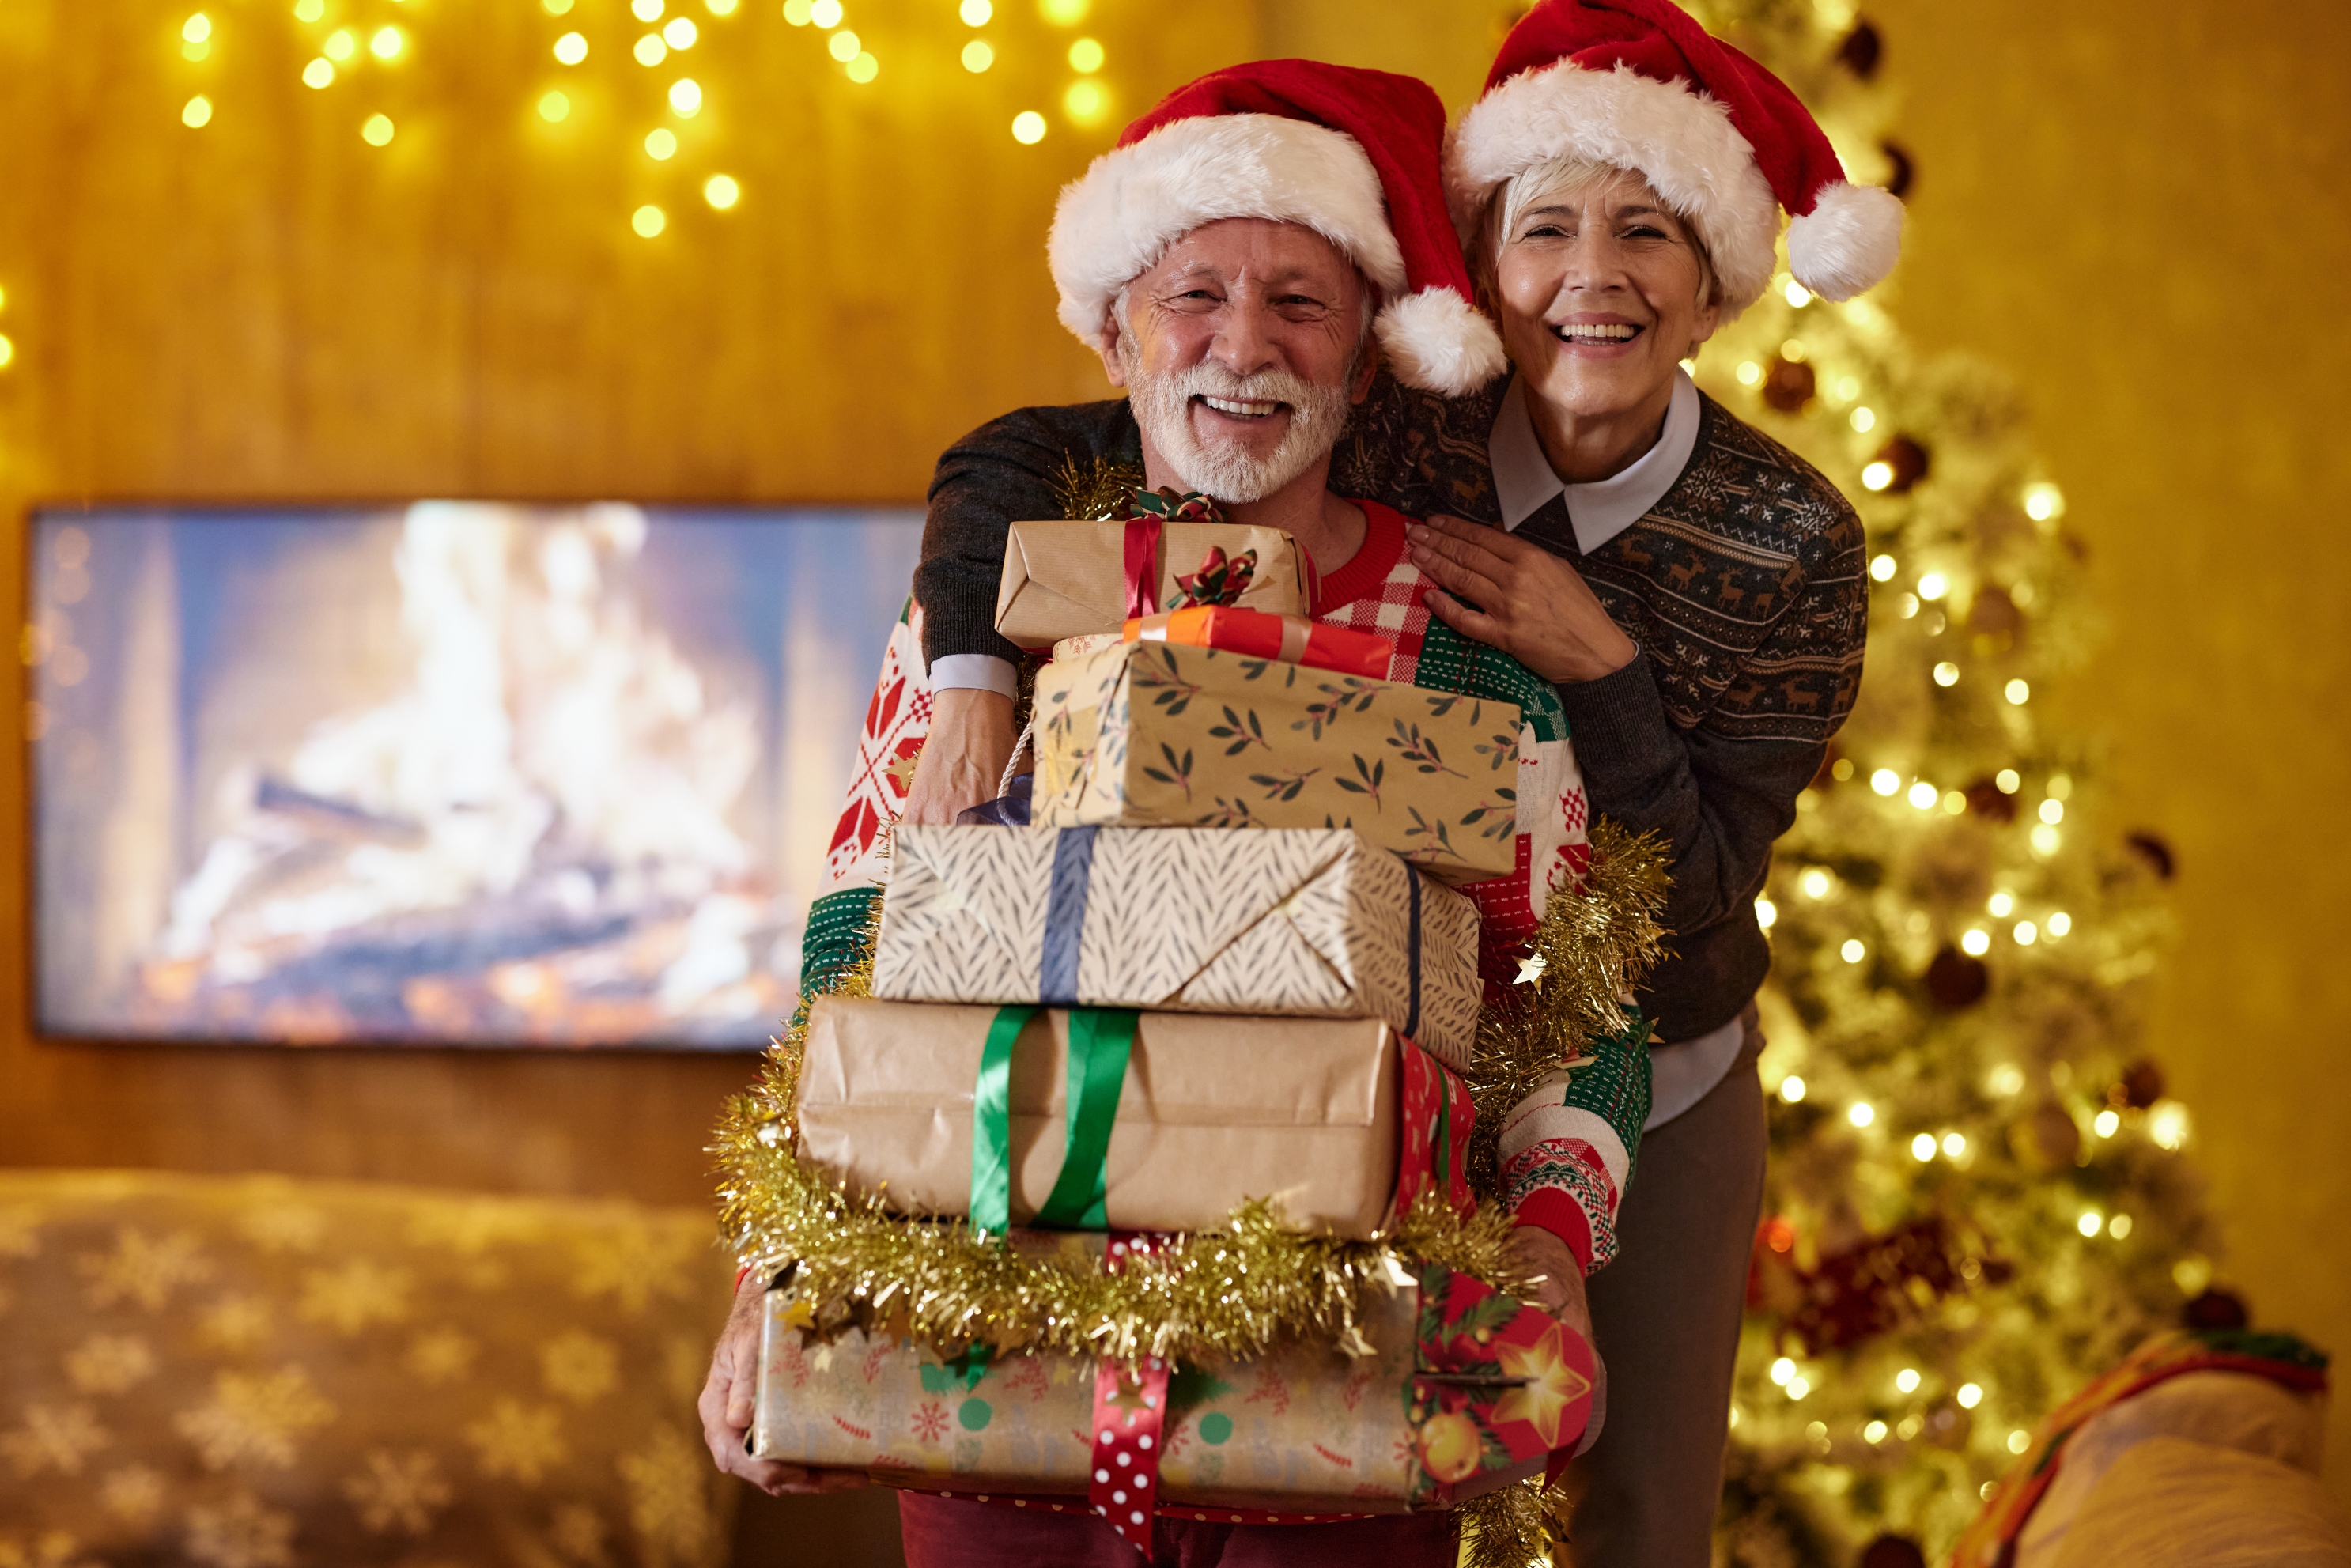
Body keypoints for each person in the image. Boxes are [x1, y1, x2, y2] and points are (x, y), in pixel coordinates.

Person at [898, 3, 1899, 1561]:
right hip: (1125, 1141)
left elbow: (1674, 919)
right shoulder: (1394, 418)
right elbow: (1040, 450)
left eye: (1647, 231)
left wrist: (1600, 673)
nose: (1592, 272)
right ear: (1477, 271)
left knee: (1632, 1507)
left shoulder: (1788, 539)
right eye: (1544, 226)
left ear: (1709, 287)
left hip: (1654, 1017)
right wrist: (968, 659)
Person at [701, 59, 1657, 1567]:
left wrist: (1547, 1243)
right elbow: (857, 939)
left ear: (1365, 357)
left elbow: (1573, 1001)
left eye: (1300, 303)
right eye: (1192, 294)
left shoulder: (1459, 630)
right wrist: (772, 1274)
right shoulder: (987, 624)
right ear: (1115, 333)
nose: (1242, 347)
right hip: (989, 1336)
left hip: (1344, 1346)